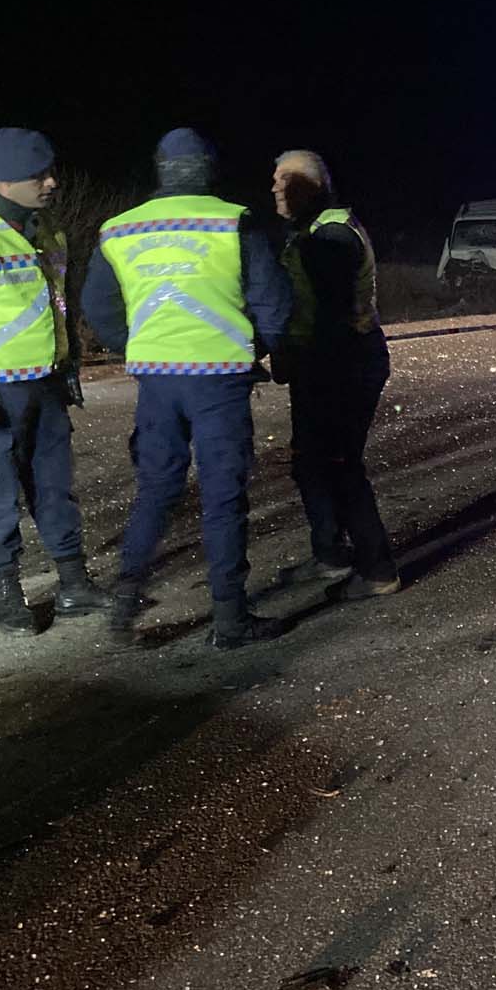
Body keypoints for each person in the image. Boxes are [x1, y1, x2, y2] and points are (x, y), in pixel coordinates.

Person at [82, 128, 293, 649]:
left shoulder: (120, 230)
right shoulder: (231, 223)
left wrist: (137, 346)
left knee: (156, 489)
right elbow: (274, 303)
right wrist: (254, 349)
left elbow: (99, 307)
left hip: (157, 378)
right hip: (220, 377)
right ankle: (229, 619)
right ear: (208, 169)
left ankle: (125, 604)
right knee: (223, 496)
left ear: (160, 170)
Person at [0, 129, 112, 634]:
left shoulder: (46, 232)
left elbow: (57, 310)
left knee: (54, 486)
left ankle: (74, 581)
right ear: (2, 181)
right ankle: (8, 592)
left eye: (50, 171)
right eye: (38, 175)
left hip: (44, 384)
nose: (51, 182)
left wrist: (67, 372)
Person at [270, 149, 400, 599]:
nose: (274, 186)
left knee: (340, 465)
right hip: (324, 361)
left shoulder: (330, 237)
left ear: (313, 186)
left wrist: (290, 355)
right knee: (310, 462)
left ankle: (378, 570)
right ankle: (329, 554)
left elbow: (330, 317)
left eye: (284, 179)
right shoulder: (311, 231)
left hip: (343, 363)